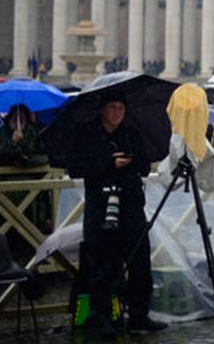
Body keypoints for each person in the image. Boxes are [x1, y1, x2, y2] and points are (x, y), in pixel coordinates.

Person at [69, 91, 166, 338]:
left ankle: (139, 315)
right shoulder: (87, 135)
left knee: (140, 261)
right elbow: (76, 168)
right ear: (103, 110)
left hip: (131, 206)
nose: (117, 113)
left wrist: (130, 162)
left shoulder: (131, 134)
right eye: (113, 108)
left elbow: (144, 167)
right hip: (101, 208)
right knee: (103, 264)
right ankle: (103, 317)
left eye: (121, 108)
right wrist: (108, 163)